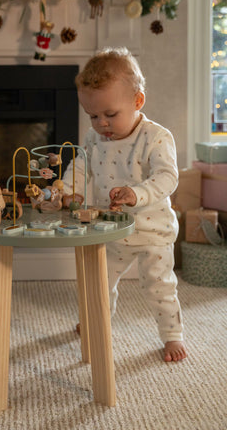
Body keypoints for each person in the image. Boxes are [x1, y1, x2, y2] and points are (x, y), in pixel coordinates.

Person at [62, 47, 187, 362]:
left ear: (137, 101)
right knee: (99, 282)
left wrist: (136, 193)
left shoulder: (156, 138)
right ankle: (98, 320)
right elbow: (80, 166)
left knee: (159, 287)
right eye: (93, 115)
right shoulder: (94, 138)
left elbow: (167, 177)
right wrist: (69, 190)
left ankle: (172, 336)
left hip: (153, 232)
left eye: (110, 114)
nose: (101, 123)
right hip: (111, 228)